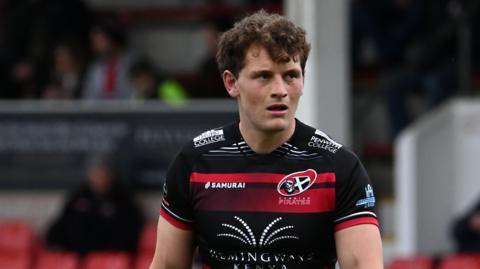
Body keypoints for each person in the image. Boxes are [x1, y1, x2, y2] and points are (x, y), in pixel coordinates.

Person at [150, 10, 383, 269]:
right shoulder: (194, 162)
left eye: (291, 75)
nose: (280, 91)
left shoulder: (339, 167)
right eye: (264, 76)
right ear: (231, 83)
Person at [46, 155, 144, 254]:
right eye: (95, 173)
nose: (99, 178)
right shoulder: (79, 196)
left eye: (102, 173)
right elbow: (61, 224)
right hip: (78, 255)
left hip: (109, 256)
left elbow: (131, 231)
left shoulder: (122, 199)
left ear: (111, 175)